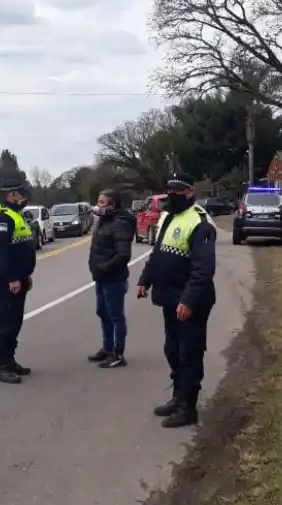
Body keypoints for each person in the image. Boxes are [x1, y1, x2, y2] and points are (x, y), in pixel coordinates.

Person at [137, 173, 217, 428]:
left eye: (177, 191)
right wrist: (144, 279)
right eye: (168, 190)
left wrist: (189, 301)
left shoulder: (200, 223)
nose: (171, 195)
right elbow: (157, 254)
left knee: (189, 354)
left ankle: (188, 407)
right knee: (172, 350)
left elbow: (203, 269)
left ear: (190, 193)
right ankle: (177, 396)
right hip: (169, 298)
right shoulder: (167, 217)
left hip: (190, 302)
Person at [0, 177, 37, 384]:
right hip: (4, 281)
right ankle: (2, 366)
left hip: (18, 278)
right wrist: (13, 278)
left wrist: (25, 276)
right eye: (22, 193)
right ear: (13, 195)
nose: (24, 197)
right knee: (6, 322)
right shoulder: (2, 218)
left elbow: (21, 248)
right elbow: (1, 253)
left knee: (15, 322)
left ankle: (10, 360)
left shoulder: (16, 216)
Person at [87, 189, 136, 368]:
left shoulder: (119, 223)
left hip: (113, 278)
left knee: (115, 315)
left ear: (112, 205)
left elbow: (123, 254)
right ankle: (107, 349)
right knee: (103, 312)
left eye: (102, 202)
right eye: (98, 201)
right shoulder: (104, 221)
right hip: (101, 277)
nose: (97, 206)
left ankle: (118, 353)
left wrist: (105, 268)